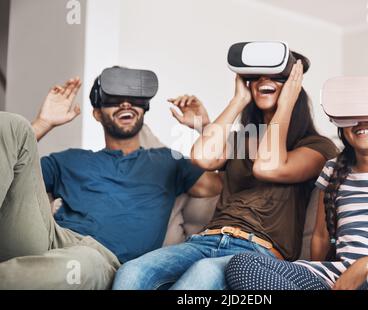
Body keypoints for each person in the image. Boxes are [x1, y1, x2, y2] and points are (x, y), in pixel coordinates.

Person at [112, 58, 338, 290]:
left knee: (204, 272)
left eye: (275, 76)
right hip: (204, 240)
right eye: (256, 76)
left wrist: (286, 105)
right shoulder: (241, 141)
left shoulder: (318, 147)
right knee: (131, 271)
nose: (263, 80)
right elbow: (203, 156)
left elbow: (268, 166)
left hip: (257, 252)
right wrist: (238, 100)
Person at [0, 68, 221, 289]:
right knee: (12, 124)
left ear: (144, 109)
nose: (126, 104)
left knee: (81, 262)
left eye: (134, 98)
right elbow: (17, 171)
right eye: (114, 99)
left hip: (102, 262)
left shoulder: (167, 162)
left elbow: (218, 186)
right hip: (54, 239)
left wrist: (205, 127)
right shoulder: (69, 160)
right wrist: (43, 123)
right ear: (97, 113)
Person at [225, 76, 368, 290]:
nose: (362, 121)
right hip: (336, 277)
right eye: (353, 114)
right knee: (243, 264)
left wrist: (363, 266)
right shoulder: (332, 169)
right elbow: (320, 236)